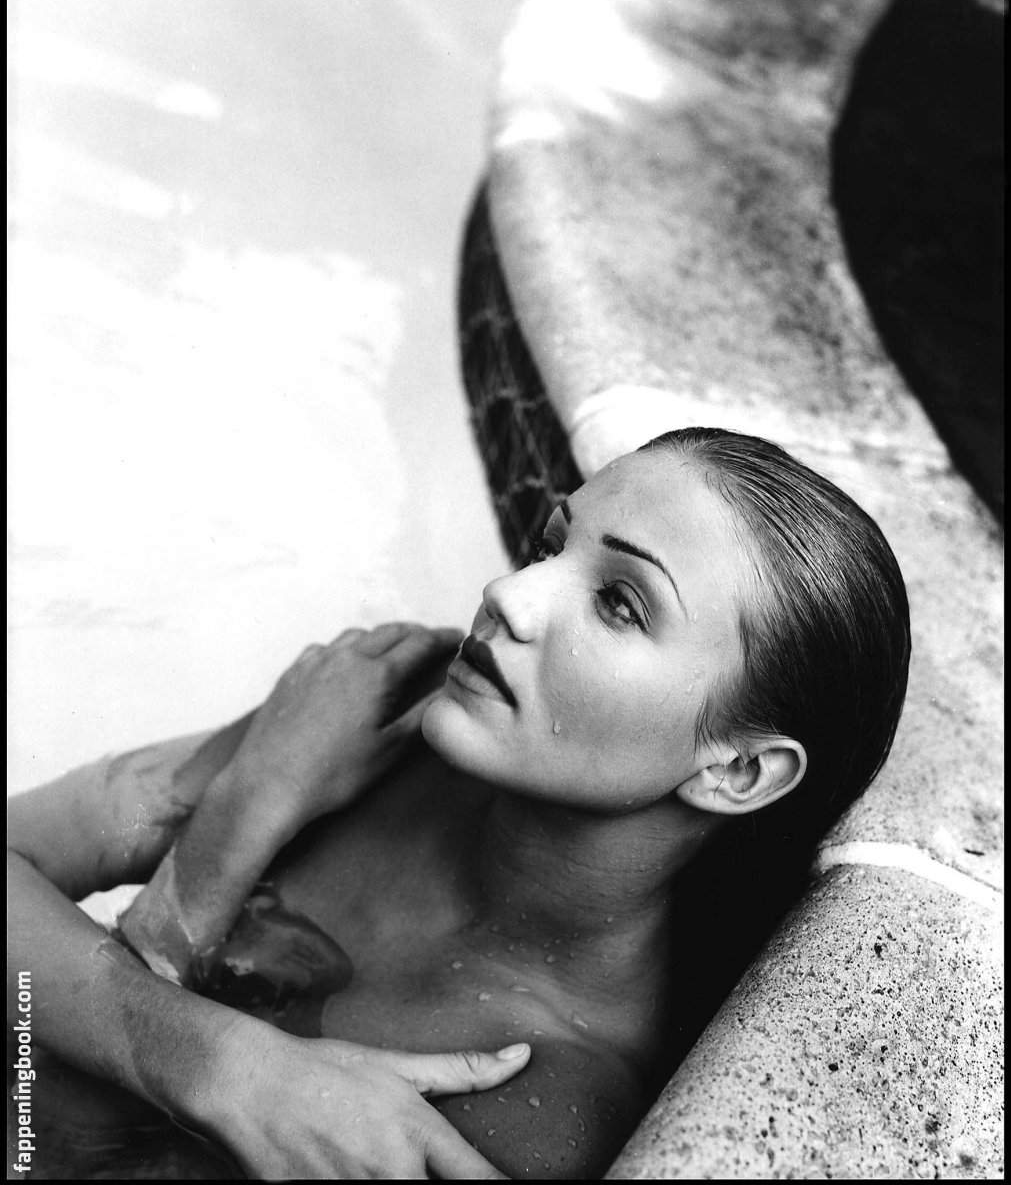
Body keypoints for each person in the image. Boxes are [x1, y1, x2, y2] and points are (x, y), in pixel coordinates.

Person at [7, 427, 910, 1180]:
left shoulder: (533, 1104)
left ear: (738, 772)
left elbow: (46, 1144)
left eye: (619, 605)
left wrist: (240, 823)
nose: (509, 594)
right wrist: (225, 1052)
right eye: (553, 544)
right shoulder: (376, 718)